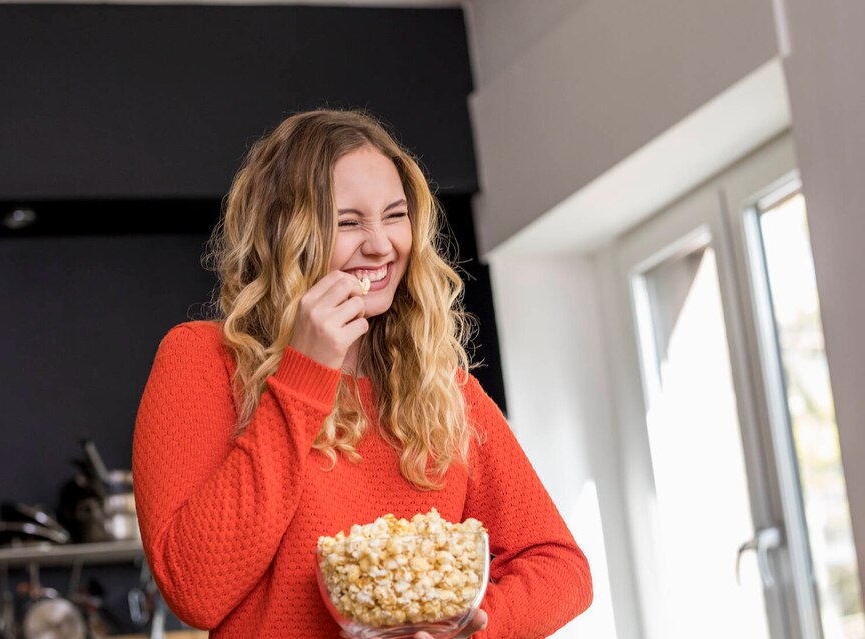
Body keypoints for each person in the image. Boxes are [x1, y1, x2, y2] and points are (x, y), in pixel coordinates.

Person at [131, 108, 592, 638]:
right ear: (285, 234)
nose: (380, 244)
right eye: (347, 222)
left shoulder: (440, 387)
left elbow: (561, 567)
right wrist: (304, 373)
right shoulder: (203, 359)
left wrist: (466, 631)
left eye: (395, 216)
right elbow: (195, 591)